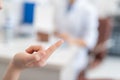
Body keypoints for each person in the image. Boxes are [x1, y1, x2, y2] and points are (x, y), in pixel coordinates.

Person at [52, 0, 99, 79]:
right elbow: (57, 29)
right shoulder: (59, 5)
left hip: (77, 54)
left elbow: (90, 41)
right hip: (59, 49)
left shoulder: (89, 9)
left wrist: (70, 39)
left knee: (63, 72)